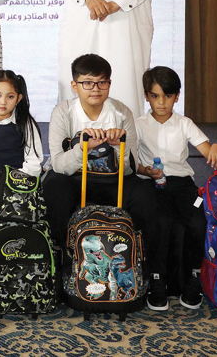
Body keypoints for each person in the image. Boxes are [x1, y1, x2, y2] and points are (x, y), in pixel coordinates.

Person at [42, 53, 170, 311]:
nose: (95, 89)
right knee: (54, 187)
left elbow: (129, 167)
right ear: (74, 85)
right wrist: (84, 148)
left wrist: (116, 146)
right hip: (75, 178)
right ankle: (58, 269)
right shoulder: (64, 112)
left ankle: (153, 275)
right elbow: (58, 163)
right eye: (87, 83)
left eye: (102, 83)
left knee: (147, 196)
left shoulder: (121, 112)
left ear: (109, 84)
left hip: (113, 180)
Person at [132, 66, 217, 310]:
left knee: (198, 218)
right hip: (151, 182)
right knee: (161, 220)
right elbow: (131, 162)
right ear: (146, 96)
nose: (161, 102)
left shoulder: (185, 123)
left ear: (177, 96)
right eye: (155, 96)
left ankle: (195, 277)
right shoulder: (138, 125)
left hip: (184, 185)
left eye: (168, 96)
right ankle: (156, 280)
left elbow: (207, 150)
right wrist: (145, 171)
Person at [0, 70, 44, 238]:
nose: (3, 102)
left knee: (23, 214)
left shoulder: (26, 123)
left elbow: (33, 161)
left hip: (23, 182)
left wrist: (15, 183)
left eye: (10, 97)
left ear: (18, 98)